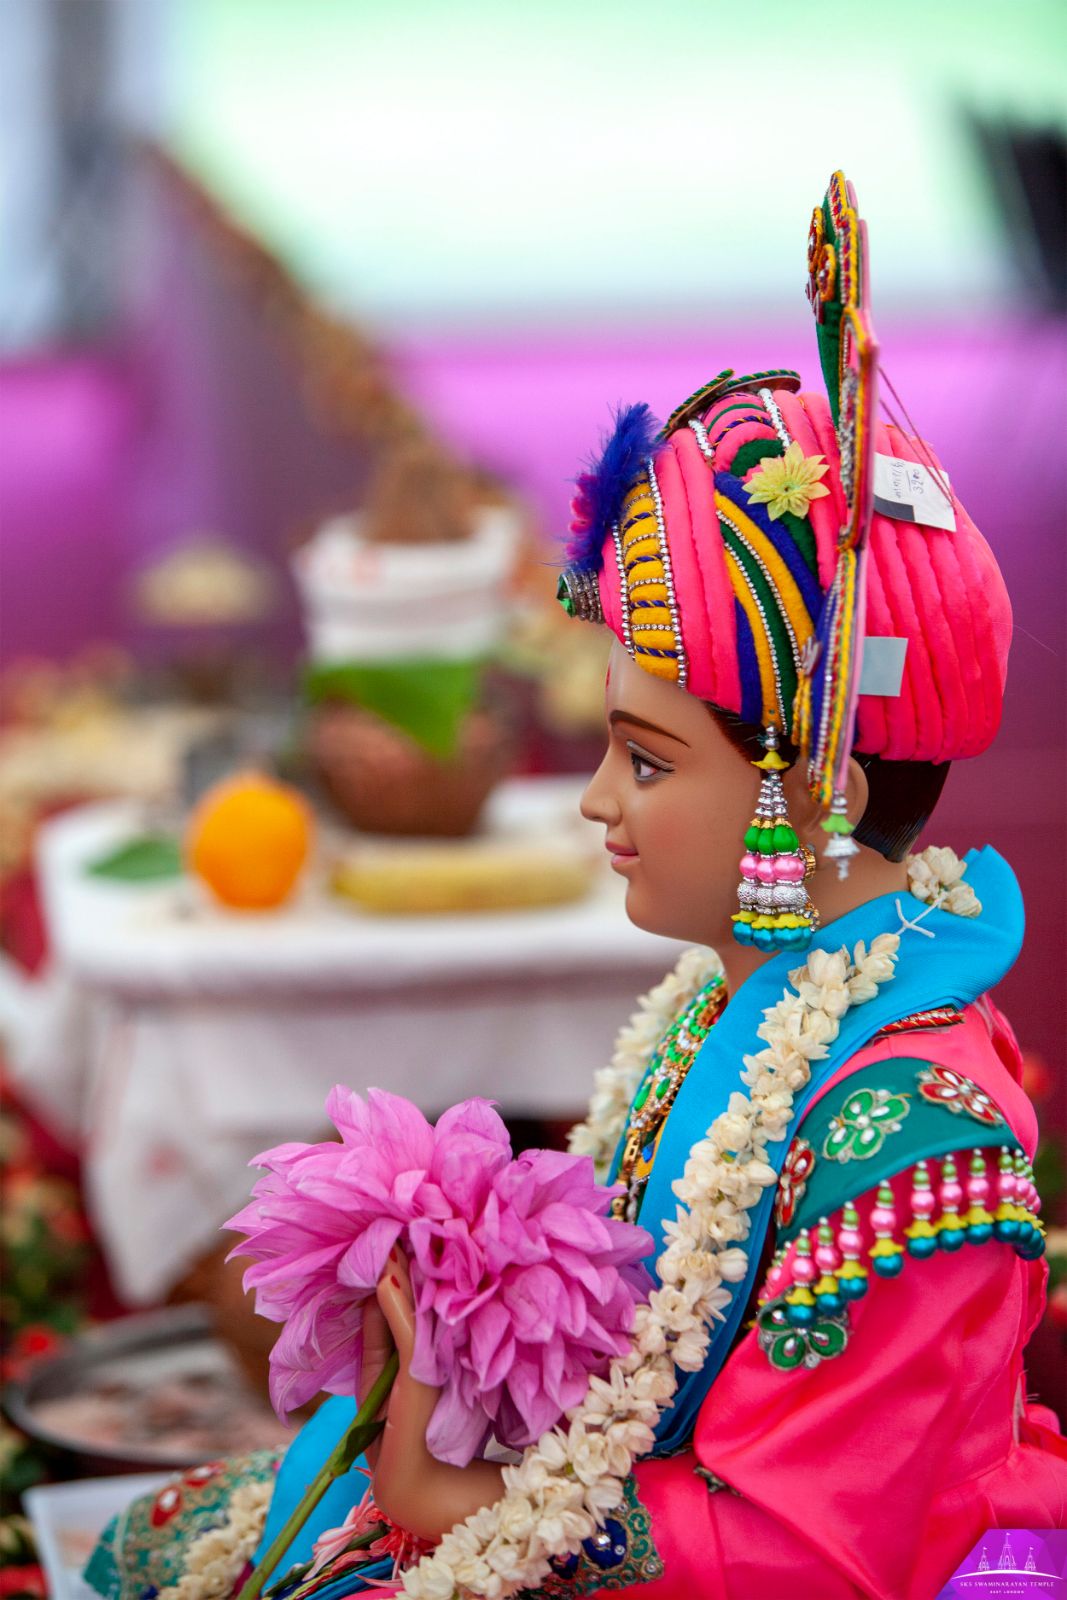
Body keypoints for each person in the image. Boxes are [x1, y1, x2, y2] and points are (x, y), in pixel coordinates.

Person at [86, 172, 1066, 1600]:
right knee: (162, 1545)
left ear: (822, 795)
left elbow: (810, 1553)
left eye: (647, 762)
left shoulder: (920, 1136)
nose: (599, 801)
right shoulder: (728, 1002)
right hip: (610, 1500)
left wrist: (452, 1495)